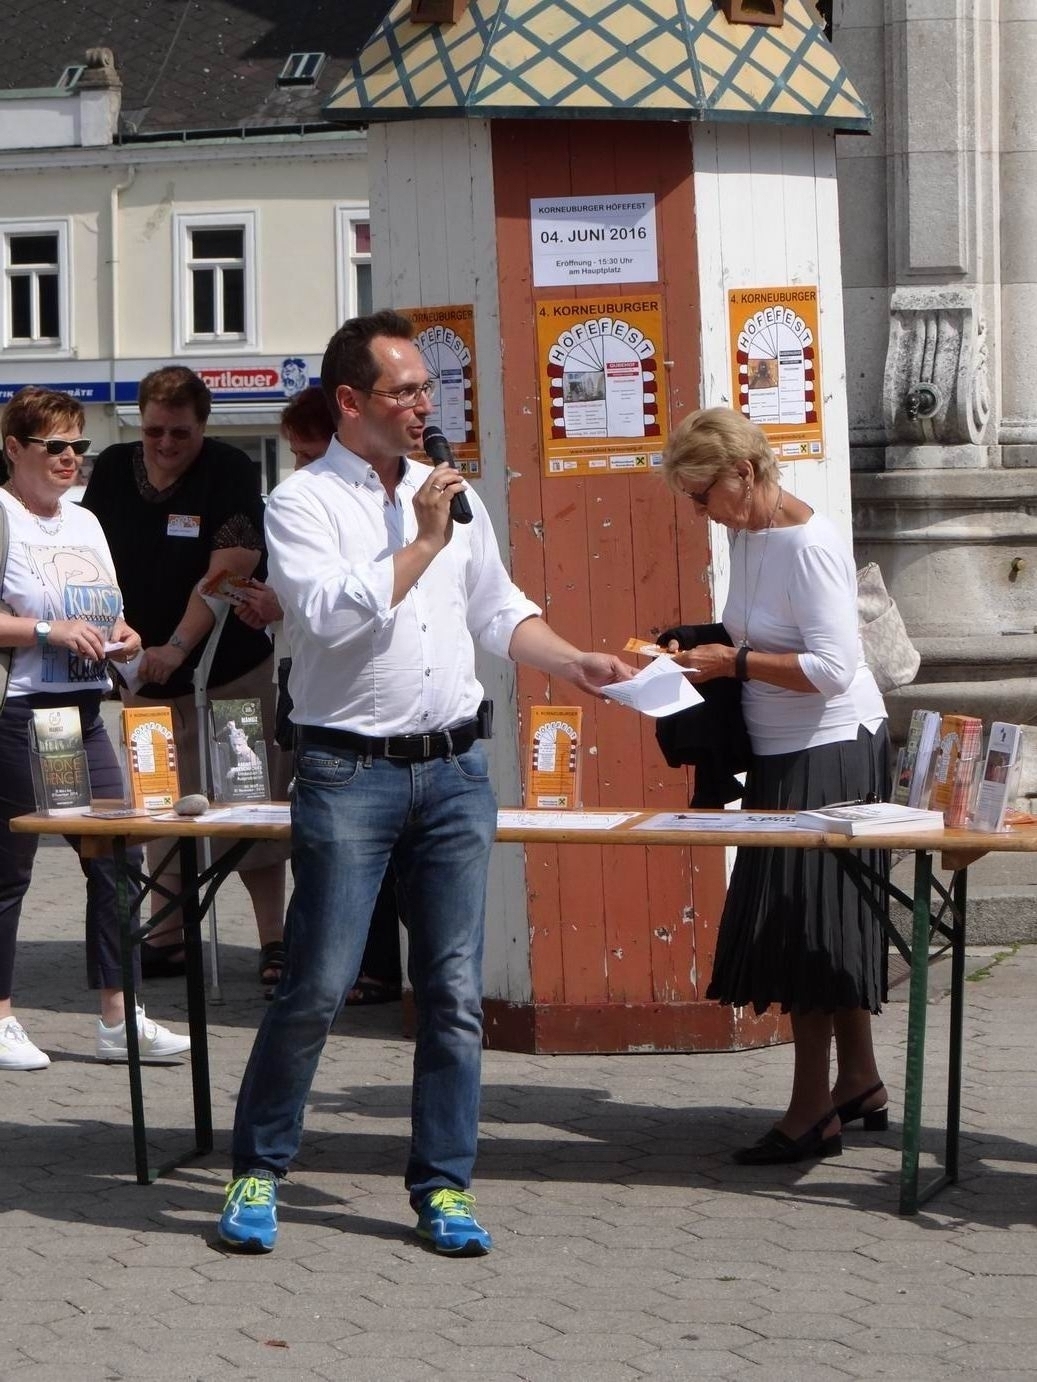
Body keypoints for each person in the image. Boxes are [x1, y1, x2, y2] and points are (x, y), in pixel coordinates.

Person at [216, 309, 632, 1257]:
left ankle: (443, 1185)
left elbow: (498, 610)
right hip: (346, 772)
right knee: (317, 984)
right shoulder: (303, 502)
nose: (423, 406)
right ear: (349, 401)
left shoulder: (450, 496)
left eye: (426, 389)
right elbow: (329, 616)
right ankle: (259, 1167)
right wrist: (423, 540)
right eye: (404, 391)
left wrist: (571, 660)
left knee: (450, 991)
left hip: (453, 772)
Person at [660, 406, 890, 1165]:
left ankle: (811, 1110)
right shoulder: (746, 532)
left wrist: (732, 664)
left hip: (829, 748)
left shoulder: (810, 546)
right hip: (780, 748)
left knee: (805, 930)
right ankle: (857, 1080)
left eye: (703, 494)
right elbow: (756, 632)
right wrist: (698, 646)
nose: (700, 511)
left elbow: (833, 669)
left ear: (744, 472)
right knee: (821, 920)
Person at [0, 387, 190, 1070]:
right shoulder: (2, 516)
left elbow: (106, 609)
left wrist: (125, 635)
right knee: (11, 867)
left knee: (117, 858)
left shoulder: (85, 521)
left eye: (78, 445)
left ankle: (120, 1015)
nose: (70, 458)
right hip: (23, 710)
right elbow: (35, 620)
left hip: (82, 710)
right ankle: (1, 1017)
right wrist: (46, 630)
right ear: (14, 448)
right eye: (55, 446)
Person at [82, 368, 288, 992]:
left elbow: (231, 568)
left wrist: (177, 646)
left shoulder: (226, 468)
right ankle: (167, 935)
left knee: (246, 803)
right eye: (154, 431)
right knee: (159, 798)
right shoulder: (114, 468)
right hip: (140, 670)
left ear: (203, 426)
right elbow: (90, 560)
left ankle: (274, 940)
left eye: (180, 432)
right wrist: (122, 644)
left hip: (225, 670)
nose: (166, 444)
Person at [235, 387, 403, 1005]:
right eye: (295, 455)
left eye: (308, 453)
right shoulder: (299, 501)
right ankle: (347, 966)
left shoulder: (351, 503)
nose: (300, 467)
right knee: (326, 842)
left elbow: (346, 603)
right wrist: (279, 606)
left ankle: (366, 968)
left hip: (351, 704)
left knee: (343, 848)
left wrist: (283, 605)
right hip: (307, 684)